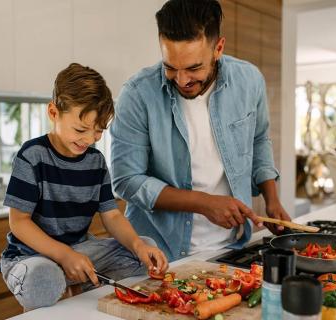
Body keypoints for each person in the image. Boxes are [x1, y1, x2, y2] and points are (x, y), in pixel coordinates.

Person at [110, 0, 291, 262]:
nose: (182, 80)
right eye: (170, 67)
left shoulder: (250, 81)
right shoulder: (137, 95)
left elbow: (259, 139)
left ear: (218, 48)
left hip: (232, 248)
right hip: (158, 253)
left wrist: (271, 197)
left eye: (194, 68)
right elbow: (126, 180)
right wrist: (203, 202)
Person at [0, 63, 168, 311]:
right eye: (80, 129)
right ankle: (69, 283)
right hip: (30, 256)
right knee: (43, 278)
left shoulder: (96, 161)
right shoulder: (32, 155)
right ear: (54, 112)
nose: (89, 139)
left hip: (79, 249)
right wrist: (64, 256)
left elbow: (111, 215)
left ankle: (73, 283)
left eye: (98, 131)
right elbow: (19, 222)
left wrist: (137, 245)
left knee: (144, 250)